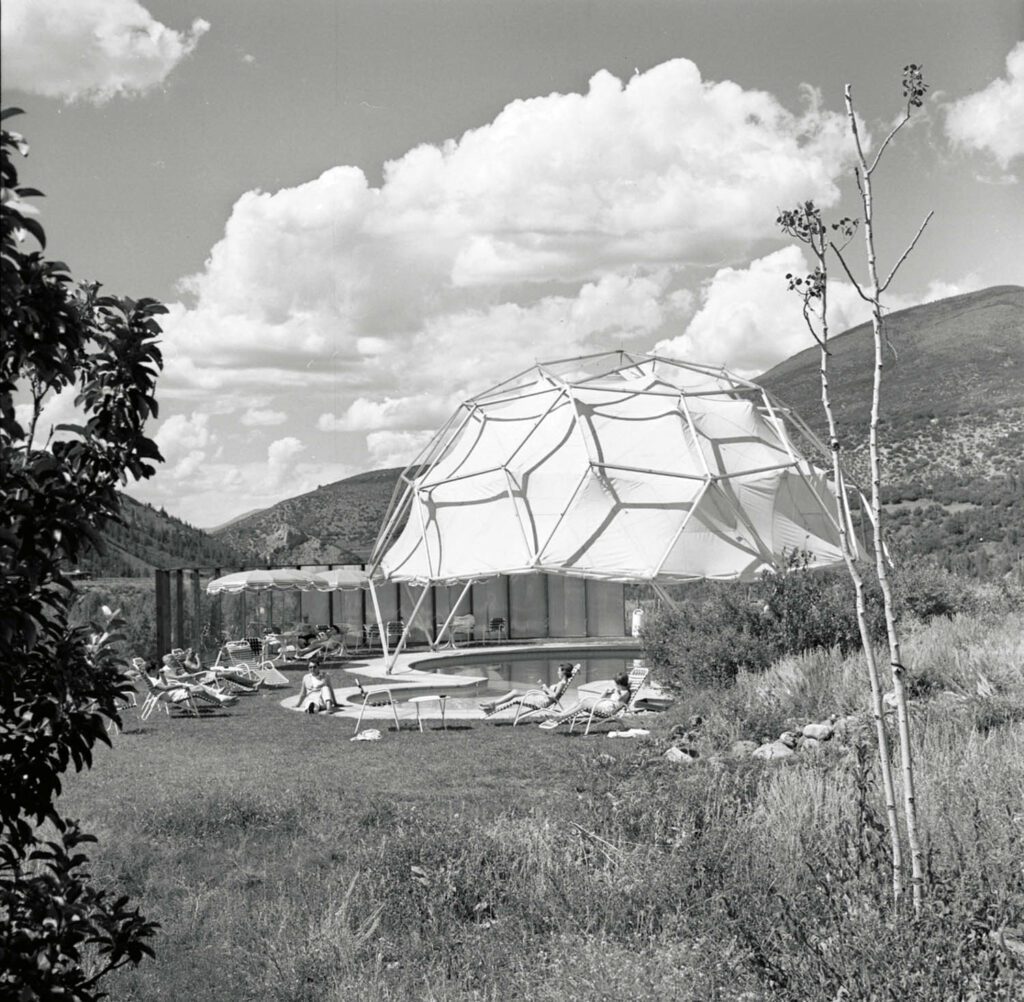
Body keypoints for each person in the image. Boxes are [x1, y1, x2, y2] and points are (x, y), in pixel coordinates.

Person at [538, 672, 632, 730]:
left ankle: (560, 716)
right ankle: (562, 714)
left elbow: (620, 698)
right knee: (578, 701)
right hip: (601, 704)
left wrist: (617, 690)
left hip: (607, 709)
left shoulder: (625, 692)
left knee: (584, 703)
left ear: (619, 683)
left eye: (615, 682)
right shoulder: (617, 690)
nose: (614, 684)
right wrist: (605, 692)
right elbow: (600, 698)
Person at [479, 662, 578, 716]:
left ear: (564, 672)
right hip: (540, 698)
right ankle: (493, 704)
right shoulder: (562, 683)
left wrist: (545, 688)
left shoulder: (562, 683)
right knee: (515, 692)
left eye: (559, 671)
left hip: (541, 702)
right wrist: (543, 688)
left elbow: (554, 697)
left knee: (515, 699)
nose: (557, 673)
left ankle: (491, 709)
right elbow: (552, 695)